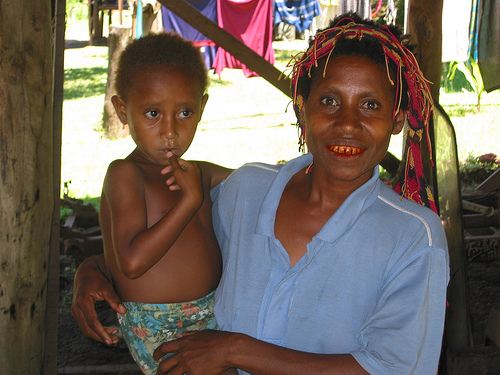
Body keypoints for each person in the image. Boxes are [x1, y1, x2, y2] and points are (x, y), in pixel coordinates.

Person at [72, 13, 449, 375]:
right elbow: (173, 241)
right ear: (301, 107)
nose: (347, 123)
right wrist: (93, 269)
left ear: (398, 119)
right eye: (329, 101)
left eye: (371, 105)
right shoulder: (247, 192)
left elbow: (392, 368)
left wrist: (234, 351)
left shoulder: (414, 237)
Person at [89, 31, 232, 375]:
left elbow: (258, 182)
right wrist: (190, 200)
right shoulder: (126, 174)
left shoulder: (198, 171)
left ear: (202, 107)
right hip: (160, 328)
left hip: (213, 313)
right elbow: (133, 261)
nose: (170, 130)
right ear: (123, 110)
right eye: (153, 113)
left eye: (185, 112)